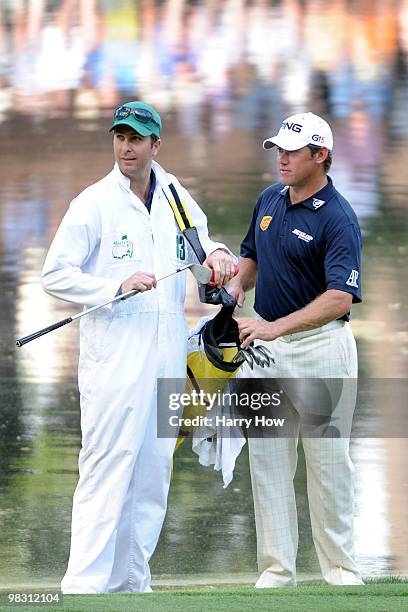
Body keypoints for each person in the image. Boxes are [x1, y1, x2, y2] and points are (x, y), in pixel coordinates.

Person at [41, 101, 236, 594]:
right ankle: (83, 588)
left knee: (153, 474)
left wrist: (218, 257)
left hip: (167, 354)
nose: (126, 146)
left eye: (136, 138)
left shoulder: (174, 194)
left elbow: (203, 249)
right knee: (107, 466)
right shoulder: (93, 202)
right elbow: (55, 274)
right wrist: (114, 286)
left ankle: (132, 585)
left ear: (155, 144)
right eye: (120, 136)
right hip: (115, 362)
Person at [228, 112, 364, 587]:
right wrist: (234, 289)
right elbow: (252, 257)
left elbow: (338, 298)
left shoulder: (338, 217)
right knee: (266, 463)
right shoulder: (269, 199)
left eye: (291, 151)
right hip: (266, 354)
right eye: (277, 150)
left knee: (328, 466)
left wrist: (273, 328)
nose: (281, 159)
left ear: (320, 155)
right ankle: (276, 572)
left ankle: (341, 571)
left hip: (320, 350)